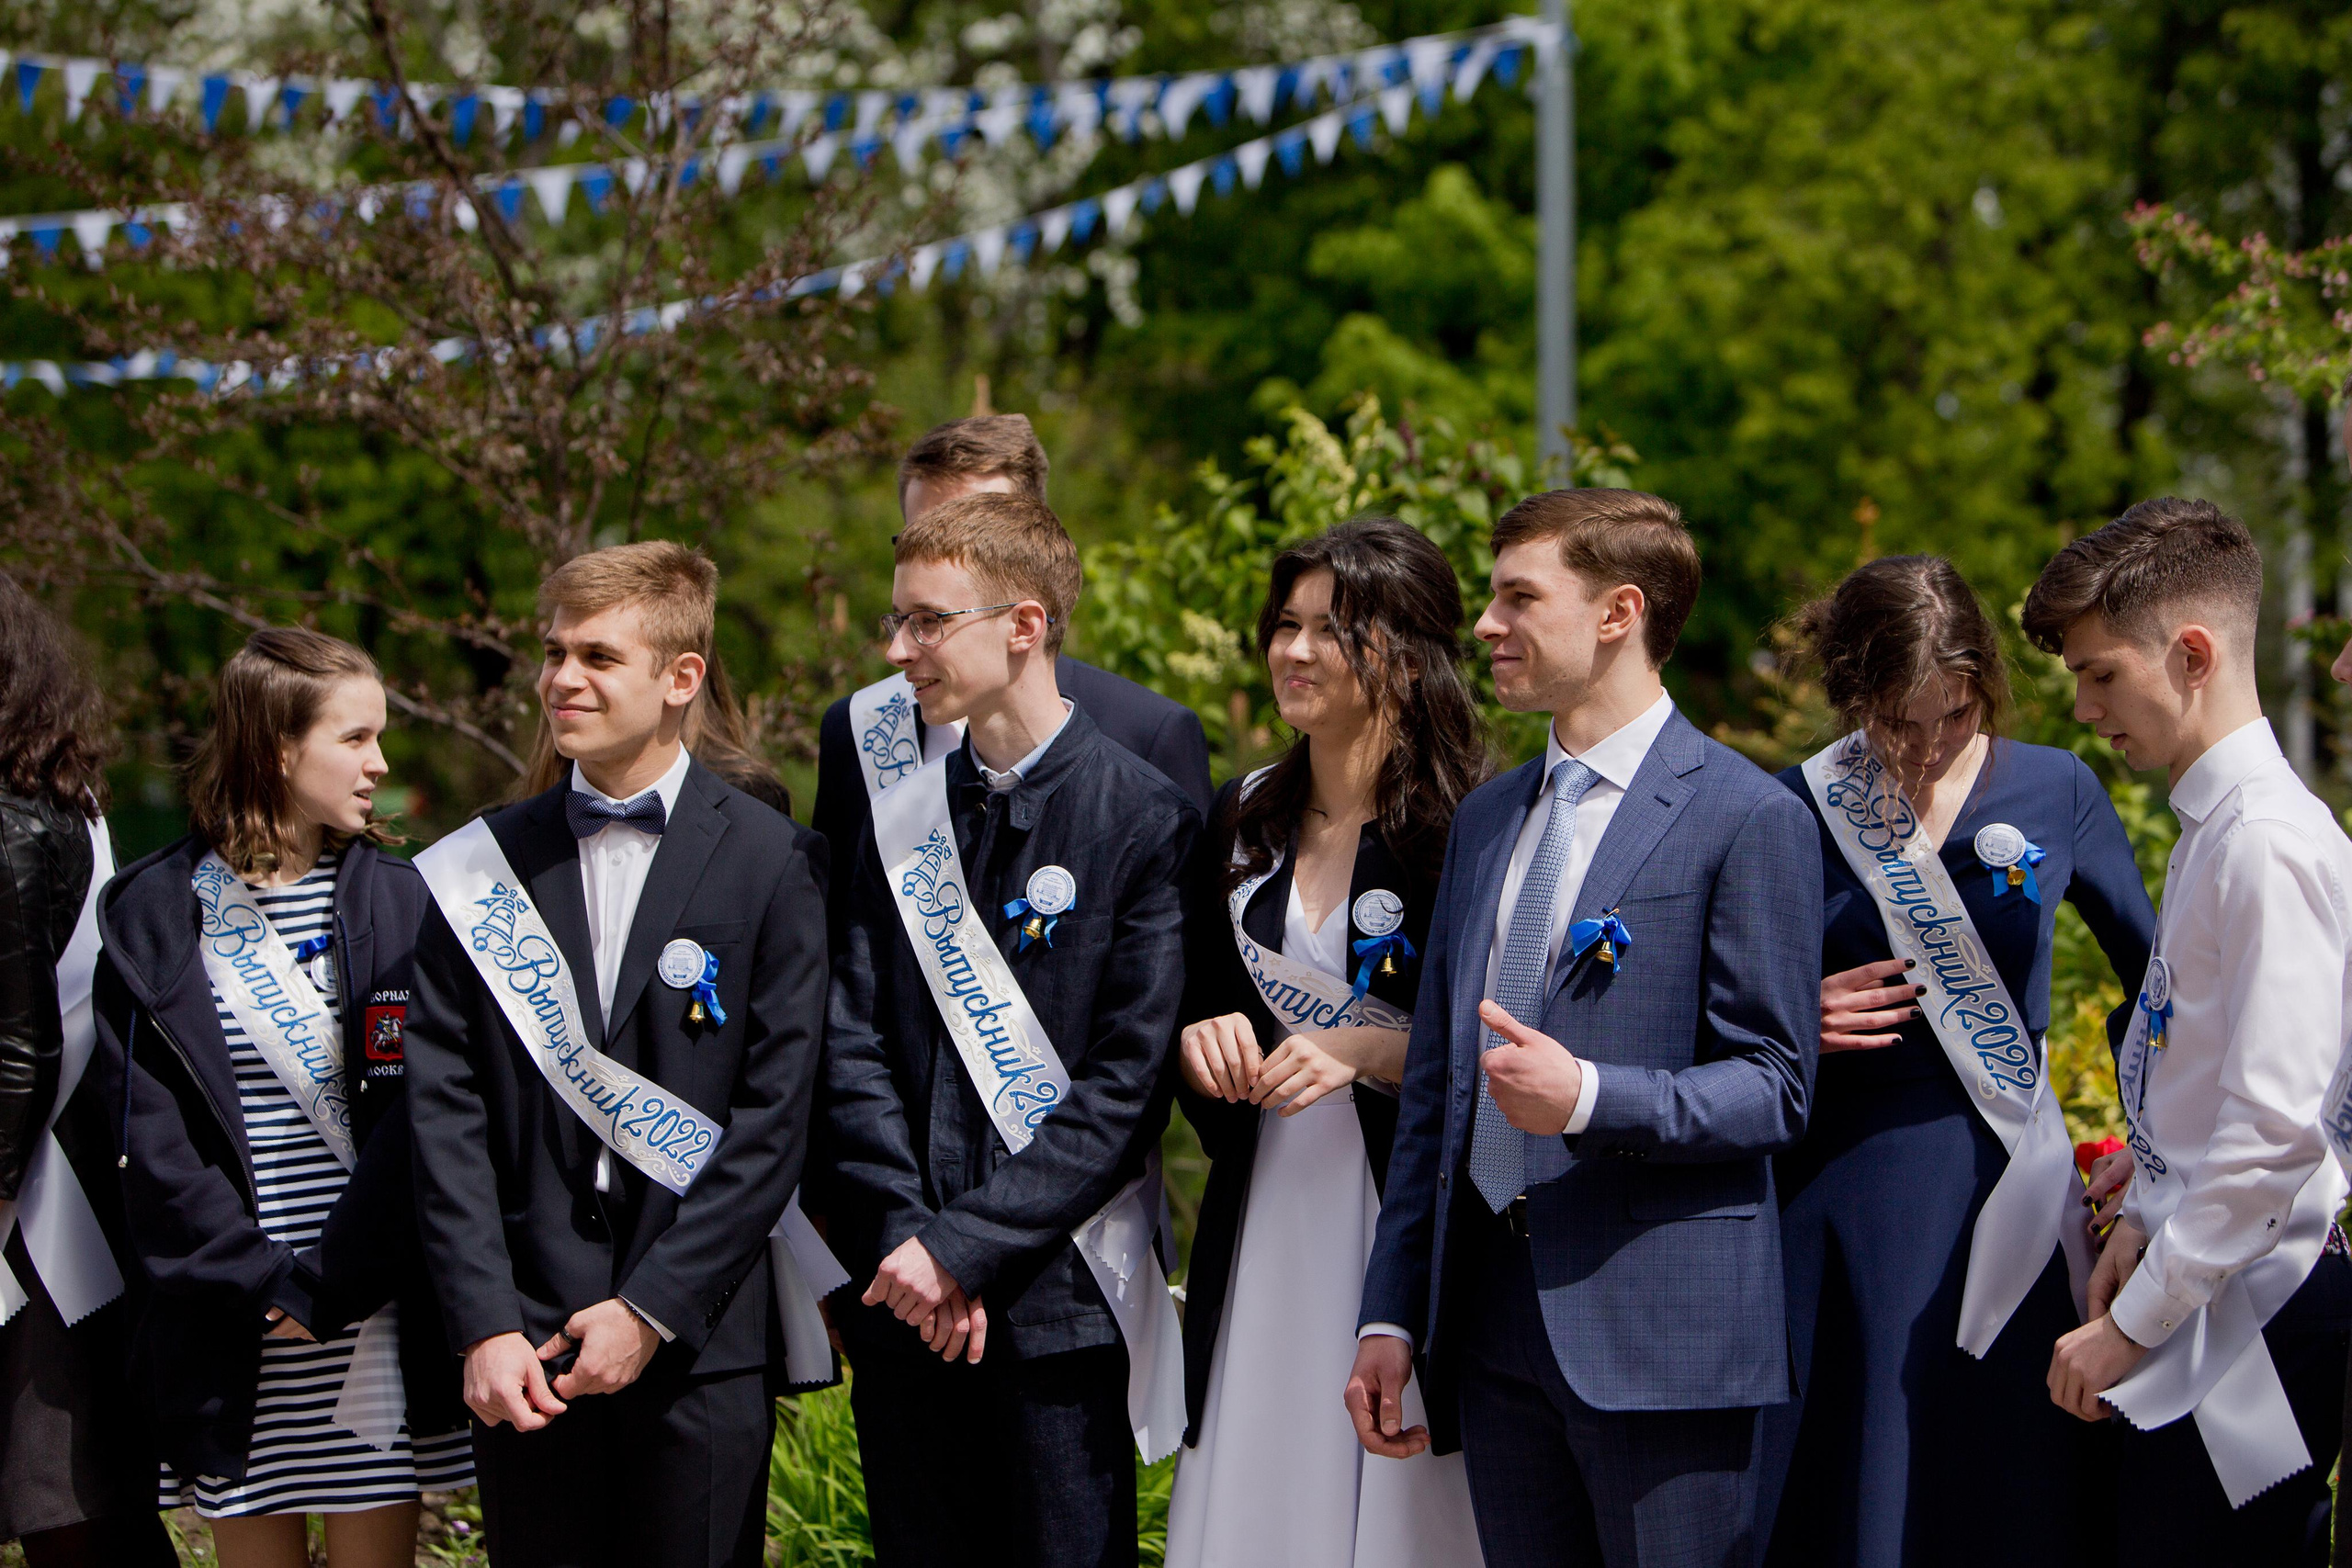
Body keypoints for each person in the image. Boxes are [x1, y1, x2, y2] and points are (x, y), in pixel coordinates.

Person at [1345, 487, 1822, 1568]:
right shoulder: (1486, 817)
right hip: (1490, 1326)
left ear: (1618, 612)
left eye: (1519, 597)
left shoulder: (1747, 817)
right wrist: (1390, 1318)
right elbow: (1437, 1095)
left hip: (1662, 1343)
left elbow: (1776, 1085)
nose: (1484, 627)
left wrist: (1595, 1098)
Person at [402, 542, 830, 1568]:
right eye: (554, 653)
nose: (561, 679)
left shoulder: (778, 862)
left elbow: (776, 1120)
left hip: (698, 1341)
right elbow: (441, 1112)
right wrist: (483, 1322)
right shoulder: (484, 864)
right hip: (523, 1346)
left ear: (681, 678)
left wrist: (651, 1310)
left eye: (598, 656)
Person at [1754, 556, 2155, 1568]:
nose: (1930, 746)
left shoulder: (2056, 787)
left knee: (1995, 1485)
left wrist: (2154, 1147)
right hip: (1834, 1197)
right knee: (1854, 1478)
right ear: (1852, 696)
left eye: (1958, 716)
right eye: (1900, 720)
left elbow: (2158, 986)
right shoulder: (1791, 807)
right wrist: (1791, 1012)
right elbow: (1706, 1008)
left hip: (2003, 1188)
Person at [823, 491, 1196, 1567]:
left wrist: (965, 1249)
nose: (899, 650)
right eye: (898, 620)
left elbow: (1124, 1090)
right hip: (905, 1300)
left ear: (1024, 626)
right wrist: (910, 1242)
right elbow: (850, 1042)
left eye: (929, 622)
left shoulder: (1143, 819)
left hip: (1056, 1302)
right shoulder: (895, 814)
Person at [90, 627, 470, 1567]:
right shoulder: (152, 913)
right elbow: (147, 1133)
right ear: (275, 746)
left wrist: (333, 1281)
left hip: (368, 1312)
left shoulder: (407, 902)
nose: (380, 763)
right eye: (354, 738)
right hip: (232, 1321)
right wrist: (260, 1280)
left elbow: (427, 1114)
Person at [2024, 498, 2352, 1565]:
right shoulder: (2217, 828)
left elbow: (2272, 1130)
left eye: (2100, 673)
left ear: (2194, 651)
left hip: (2254, 1314)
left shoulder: (2264, 844)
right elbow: (2197, 1076)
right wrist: (2136, 1222)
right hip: (2204, 1294)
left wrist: (2130, 1323)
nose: (2083, 708)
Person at [1166, 518, 1489, 1568]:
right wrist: (1199, 1042)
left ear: (1401, 650)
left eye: (1328, 630)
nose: (1292, 652)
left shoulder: (1470, 825)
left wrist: (1366, 1051)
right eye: (1285, 625)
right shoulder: (1241, 814)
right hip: (1265, 1210)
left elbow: (1495, 1047)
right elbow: (1202, 1005)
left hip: (1397, 1214)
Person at [809, 412, 1213, 874]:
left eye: (978, 527)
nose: (940, 547)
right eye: (922, 532)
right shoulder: (857, 730)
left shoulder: (1149, 733)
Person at [0, 576, 175, 1568]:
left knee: (65, 1497)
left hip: (25, 1216)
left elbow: (16, 1047)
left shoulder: (16, 823)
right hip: (48, 1190)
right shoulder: (56, 799)